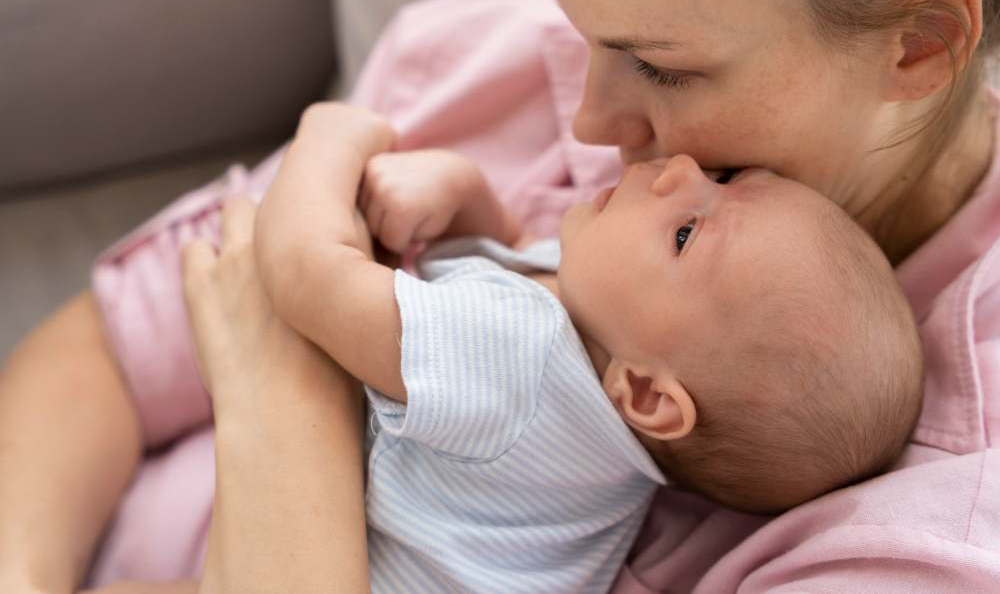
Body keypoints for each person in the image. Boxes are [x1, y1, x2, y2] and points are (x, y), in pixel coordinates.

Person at [0, 0, 998, 591]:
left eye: (661, 65)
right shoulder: (499, 61)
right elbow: (112, 355)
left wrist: (279, 384)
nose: (588, 118)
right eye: (584, 31)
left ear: (920, 40)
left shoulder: (937, 523)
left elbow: (265, 285)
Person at [247, 99, 922, 592]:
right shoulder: (598, 360)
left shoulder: (525, 357)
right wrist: (466, 192)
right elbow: (511, 264)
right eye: (721, 179)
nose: (678, 169)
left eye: (685, 233)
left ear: (649, 393)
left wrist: (326, 135)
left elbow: (307, 275)